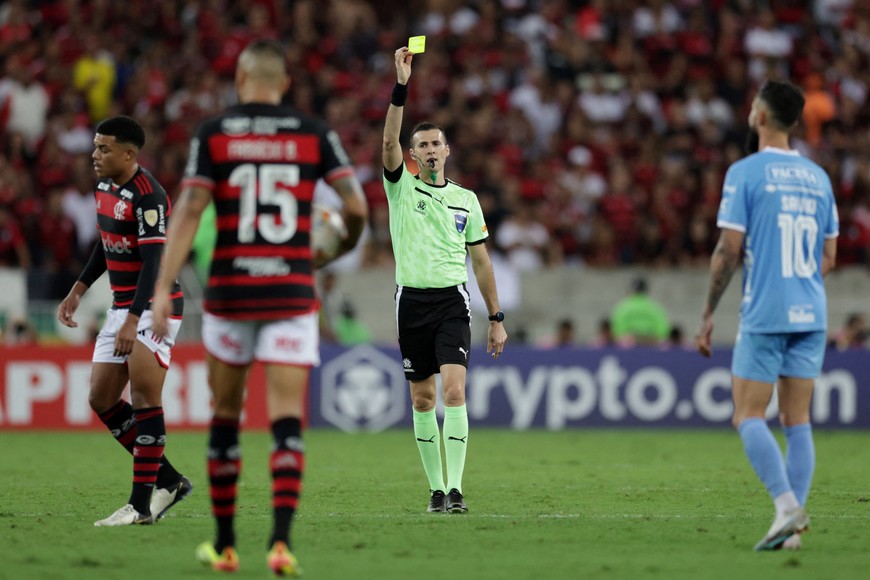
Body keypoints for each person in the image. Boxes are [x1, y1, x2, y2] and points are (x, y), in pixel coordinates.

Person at [151, 39, 368, 576]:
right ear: (286, 83)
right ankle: (280, 545)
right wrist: (333, 250)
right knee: (286, 421)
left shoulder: (215, 133)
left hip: (231, 294)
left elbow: (187, 212)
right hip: (291, 293)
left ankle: (225, 547)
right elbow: (357, 209)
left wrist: (161, 288)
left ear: (241, 79)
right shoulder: (316, 134)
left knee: (225, 417)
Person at [695, 80, 839, 551]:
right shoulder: (819, 178)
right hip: (811, 310)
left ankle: (784, 507)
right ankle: (791, 530)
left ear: (759, 115)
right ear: (796, 121)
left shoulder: (745, 172)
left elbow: (728, 250)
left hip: (766, 309)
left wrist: (708, 312)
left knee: (746, 414)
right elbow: (830, 256)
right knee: (798, 421)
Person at [383, 46, 508, 515]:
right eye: (423, 146)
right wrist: (401, 85)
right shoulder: (401, 186)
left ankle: (455, 489)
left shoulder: (467, 200)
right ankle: (434, 490)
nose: (431, 150)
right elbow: (387, 141)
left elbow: (482, 263)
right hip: (410, 301)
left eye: (437, 143)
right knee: (422, 397)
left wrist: (495, 317)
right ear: (412, 155)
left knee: (454, 391)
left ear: (447, 150)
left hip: (453, 302)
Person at [56, 115, 190, 527]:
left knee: (147, 399)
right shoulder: (103, 188)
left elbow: (153, 260)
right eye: (95, 147)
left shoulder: (149, 196)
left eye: (104, 148)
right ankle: (170, 480)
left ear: (129, 154)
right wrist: (79, 289)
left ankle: (140, 505)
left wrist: (134, 319)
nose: (95, 155)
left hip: (152, 307)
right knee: (101, 398)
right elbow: (106, 241)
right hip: (122, 306)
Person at [610, 277, 670, 346]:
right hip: (652, 347)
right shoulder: (656, 307)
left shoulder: (622, 307)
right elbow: (663, 332)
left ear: (631, 290)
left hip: (629, 348)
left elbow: (617, 332)